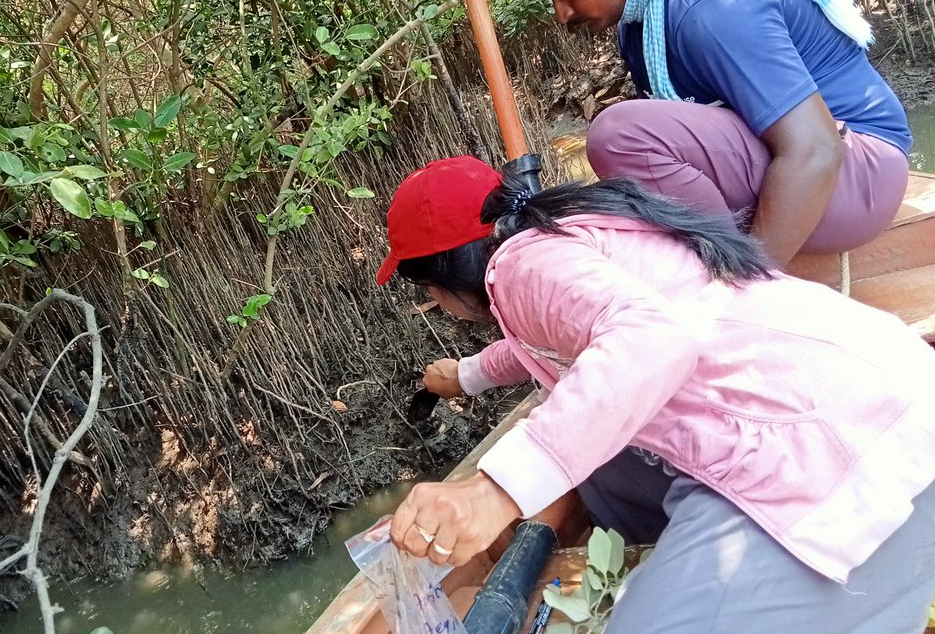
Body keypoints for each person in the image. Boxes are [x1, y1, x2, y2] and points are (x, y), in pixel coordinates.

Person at [376, 156, 935, 632]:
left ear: (445, 274)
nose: (440, 306)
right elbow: (542, 343)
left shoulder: (517, 269)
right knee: (596, 462)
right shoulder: (573, 229)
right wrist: (466, 374)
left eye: (431, 293)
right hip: (885, 384)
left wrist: (492, 490)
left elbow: (652, 338)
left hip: (837, 453)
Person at [509, 0, 912, 266]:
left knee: (619, 134)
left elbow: (816, 149)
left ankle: (729, 275)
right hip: (830, 177)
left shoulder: (711, 3)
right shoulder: (640, 24)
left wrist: (747, 287)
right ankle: (717, 267)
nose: (562, 14)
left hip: (859, 176)